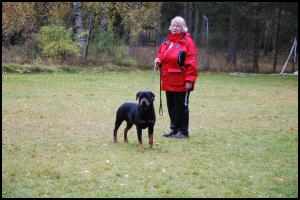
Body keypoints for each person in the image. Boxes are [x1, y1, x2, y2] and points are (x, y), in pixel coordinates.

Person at [154, 16, 198, 138]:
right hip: (168, 80)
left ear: (183, 27)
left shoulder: (188, 42)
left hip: (182, 82)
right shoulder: (166, 42)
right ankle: (174, 129)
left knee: (181, 106)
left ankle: (183, 131)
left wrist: (190, 80)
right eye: (173, 25)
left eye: (178, 26)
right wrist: (158, 61)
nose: (175, 28)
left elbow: (192, 62)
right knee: (171, 106)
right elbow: (161, 56)